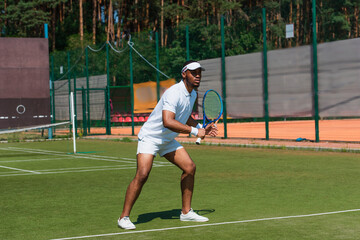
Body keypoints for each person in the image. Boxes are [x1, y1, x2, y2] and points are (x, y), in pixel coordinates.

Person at [117, 60, 218, 230]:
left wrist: (201, 128)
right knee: (142, 174)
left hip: (168, 140)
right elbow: (167, 121)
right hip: (151, 137)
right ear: (184, 74)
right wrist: (194, 132)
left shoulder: (192, 93)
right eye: (194, 72)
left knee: (189, 167)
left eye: (200, 72)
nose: (198, 75)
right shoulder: (173, 93)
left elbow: (184, 115)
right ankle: (123, 217)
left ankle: (186, 212)